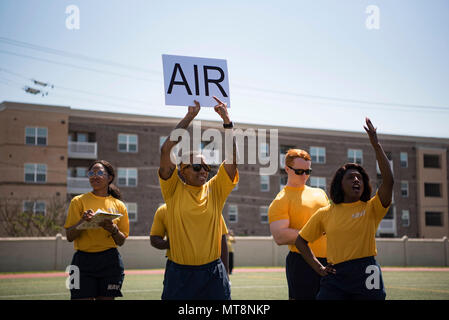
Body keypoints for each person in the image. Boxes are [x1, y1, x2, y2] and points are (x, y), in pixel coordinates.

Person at [296, 118, 394, 300]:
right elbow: (301, 241)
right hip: (335, 275)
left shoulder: (372, 207)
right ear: (340, 185)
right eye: (351, 177)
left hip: (367, 273)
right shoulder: (325, 213)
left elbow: (388, 181)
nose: (357, 180)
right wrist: (319, 267)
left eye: (360, 178)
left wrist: (376, 145)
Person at [158, 96, 238, 300]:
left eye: (206, 167)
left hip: (212, 274)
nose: (203, 171)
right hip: (180, 274)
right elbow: (166, 150)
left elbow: (232, 160)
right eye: (196, 167)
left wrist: (227, 121)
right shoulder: (173, 189)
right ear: (181, 171)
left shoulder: (215, 189)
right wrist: (189, 116)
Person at [268, 149, 329, 300]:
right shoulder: (281, 200)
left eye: (308, 171)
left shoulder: (320, 193)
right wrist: (316, 231)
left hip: (331, 260)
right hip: (302, 263)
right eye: (300, 171)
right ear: (287, 169)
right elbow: (280, 236)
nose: (304, 175)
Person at [64, 160, 130, 300]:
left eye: (100, 173)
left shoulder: (119, 205)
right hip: (82, 262)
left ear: (110, 178)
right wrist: (83, 221)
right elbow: (69, 236)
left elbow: (121, 241)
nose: (95, 176)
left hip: (110, 261)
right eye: (91, 173)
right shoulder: (78, 201)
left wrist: (113, 229)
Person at [150, 203, 231, 274]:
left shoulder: (211, 208)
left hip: (211, 267)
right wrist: (172, 244)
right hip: (177, 268)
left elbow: (222, 240)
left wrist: (225, 274)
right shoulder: (164, 209)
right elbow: (154, 239)